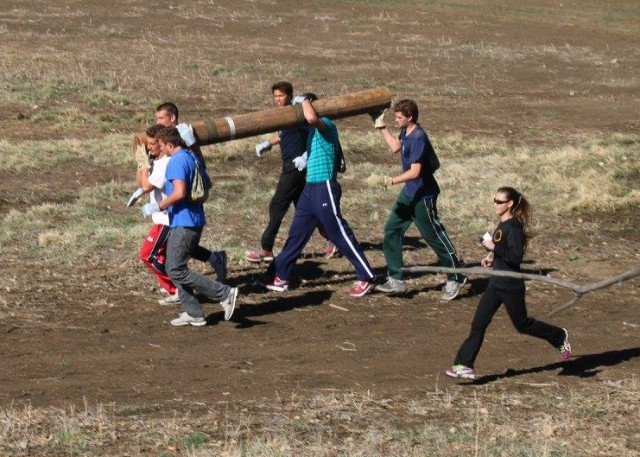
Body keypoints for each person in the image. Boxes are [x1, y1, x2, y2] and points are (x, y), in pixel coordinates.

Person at [445, 187, 571, 380]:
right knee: (479, 323)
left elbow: (516, 257)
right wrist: (493, 259)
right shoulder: (502, 225)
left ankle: (559, 336)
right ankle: (464, 365)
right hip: (496, 283)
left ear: (510, 204)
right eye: (494, 200)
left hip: (511, 285)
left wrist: (494, 248)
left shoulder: (514, 228)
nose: (495, 204)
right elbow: (504, 253)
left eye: (499, 201)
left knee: (522, 325)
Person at [264, 94, 376, 297]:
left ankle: (366, 276)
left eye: (303, 107)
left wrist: (304, 100)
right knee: (296, 235)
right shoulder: (310, 133)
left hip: (324, 186)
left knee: (339, 233)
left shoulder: (326, 123)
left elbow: (312, 118)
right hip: (310, 188)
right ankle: (280, 276)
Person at [367, 99, 466, 300]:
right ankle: (396, 279)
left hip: (423, 194)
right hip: (410, 193)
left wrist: (389, 180)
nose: (396, 120)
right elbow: (396, 147)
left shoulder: (419, 137)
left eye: (399, 117)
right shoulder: (406, 132)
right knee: (392, 230)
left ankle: (456, 276)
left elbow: (415, 172)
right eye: (395, 117)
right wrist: (381, 127)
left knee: (434, 236)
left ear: (410, 117)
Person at [142, 127, 237, 326]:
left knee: (176, 268)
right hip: (191, 219)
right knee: (173, 266)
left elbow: (178, 192)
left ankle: (224, 293)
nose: (158, 148)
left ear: (168, 144)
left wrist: (158, 206)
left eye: (160, 145)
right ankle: (194, 313)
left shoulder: (176, 161)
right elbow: (207, 183)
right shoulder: (192, 156)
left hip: (184, 221)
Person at [247, 81, 337, 263]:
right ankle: (333, 238)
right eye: (275, 96)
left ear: (289, 95)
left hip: (295, 167)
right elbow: (284, 135)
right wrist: (268, 144)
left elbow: (311, 136)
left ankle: (266, 248)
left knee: (277, 205)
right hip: (289, 164)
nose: (278, 99)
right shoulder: (285, 115)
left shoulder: (299, 113)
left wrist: (305, 157)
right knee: (308, 208)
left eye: (281, 96)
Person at [155, 102, 228, 281]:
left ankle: (178, 284)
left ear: (172, 118)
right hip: (171, 197)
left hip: (180, 201)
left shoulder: (181, 138)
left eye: (160, 118)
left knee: (179, 242)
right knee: (180, 241)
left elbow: (198, 164)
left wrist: (193, 144)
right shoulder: (165, 139)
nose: (157, 121)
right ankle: (213, 259)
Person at [135, 125, 181, 305]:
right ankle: (177, 287)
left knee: (147, 255)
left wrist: (145, 165)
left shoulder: (164, 164)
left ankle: (176, 288)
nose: (149, 147)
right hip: (161, 218)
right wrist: (142, 164)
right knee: (163, 257)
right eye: (147, 144)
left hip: (165, 219)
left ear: (161, 144)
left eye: (152, 144)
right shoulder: (156, 162)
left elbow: (147, 187)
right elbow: (141, 183)